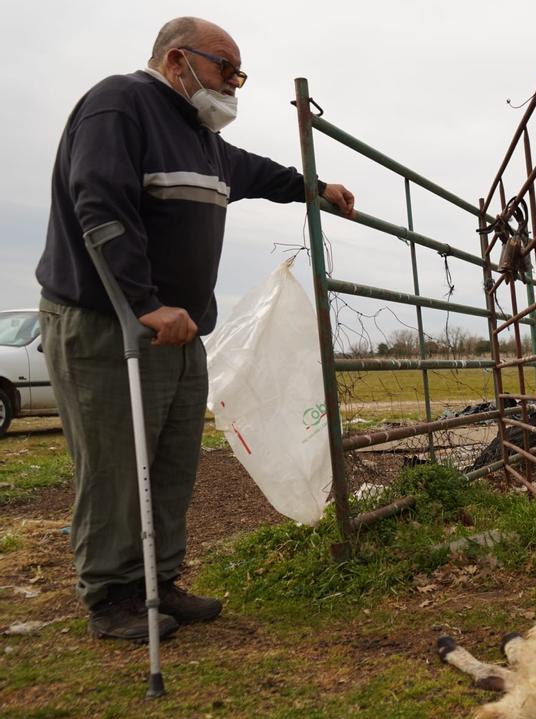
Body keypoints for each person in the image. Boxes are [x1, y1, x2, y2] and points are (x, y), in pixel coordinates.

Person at [35, 17, 355, 641]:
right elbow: (97, 203)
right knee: (117, 465)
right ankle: (112, 595)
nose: (235, 84)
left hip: (181, 333)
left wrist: (315, 188)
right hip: (111, 324)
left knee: (172, 462)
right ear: (178, 61)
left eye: (240, 74)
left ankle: (159, 582)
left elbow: (259, 173)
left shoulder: (202, 139)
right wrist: (143, 302)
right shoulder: (119, 105)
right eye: (224, 69)